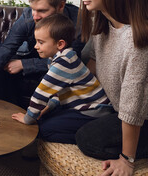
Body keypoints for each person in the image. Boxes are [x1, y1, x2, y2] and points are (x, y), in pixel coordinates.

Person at [74, 0, 148, 176]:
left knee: (86, 139)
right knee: (50, 127)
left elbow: (133, 104)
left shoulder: (137, 39)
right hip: (112, 108)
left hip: (140, 117)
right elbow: (92, 67)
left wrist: (127, 159)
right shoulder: (102, 23)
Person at [12, 13, 111, 143]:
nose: (36, 46)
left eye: (40, 42)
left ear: (60, 44)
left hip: (93, 112)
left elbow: (40, 94)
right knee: (42, 118)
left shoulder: (64, 62)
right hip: (79, 107)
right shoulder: (58, 57)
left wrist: (28, 118)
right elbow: (58, 93)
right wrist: (43, 111)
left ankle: (90, 138)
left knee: (43, 130)